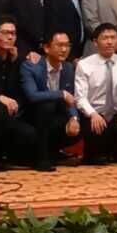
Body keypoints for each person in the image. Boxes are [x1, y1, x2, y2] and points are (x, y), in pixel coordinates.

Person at [0, 16, 38, 171]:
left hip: (10, 112)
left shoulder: (15, 59)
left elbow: (15, 89)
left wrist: (15, 62)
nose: (10, 37)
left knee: (30, 132)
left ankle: (8, 159)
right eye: (5, 33)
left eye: (13, 33)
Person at [74, 23, 117, 165]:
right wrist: (93, 114)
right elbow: (80, 98)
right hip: (94, 113)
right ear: (95, 42)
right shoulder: (84, 64)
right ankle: (95, 154)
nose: (109, 42)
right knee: (96, 129)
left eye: (113, 38)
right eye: (105, 38)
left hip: (116, 113)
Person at [20, 31, 80, 171]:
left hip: (56, 115)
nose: (64, 49)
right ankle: (42, 158)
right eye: (59, 45)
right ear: (47, 48)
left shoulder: (68, 68)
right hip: (32, 115)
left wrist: (74, 118)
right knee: (47, 106)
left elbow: (71, 99)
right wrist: (61, 94)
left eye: (67, 45)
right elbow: (32, 96)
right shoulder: (31, 66)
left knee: (80, 123)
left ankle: (53, 153)